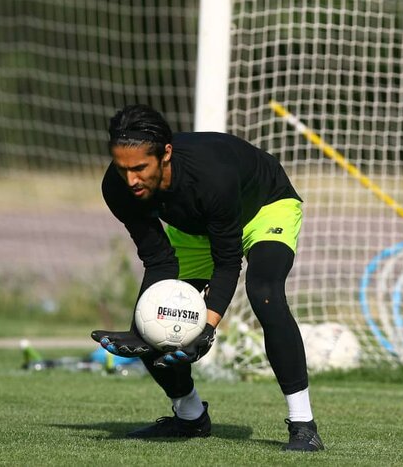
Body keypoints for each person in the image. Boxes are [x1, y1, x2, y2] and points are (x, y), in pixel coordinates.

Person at [91, 104, 324, 451]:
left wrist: (207, 328)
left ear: (165, 154)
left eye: (140, 168)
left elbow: (228, 262)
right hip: (197, 230)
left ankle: (304, 425)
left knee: (265, 292)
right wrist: (142, 331)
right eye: (123, 168)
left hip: (264, 206)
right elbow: (157, 259)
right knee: (150, 322)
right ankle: (190, 417)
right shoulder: (117, 187)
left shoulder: (211, 175)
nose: (131, 180)